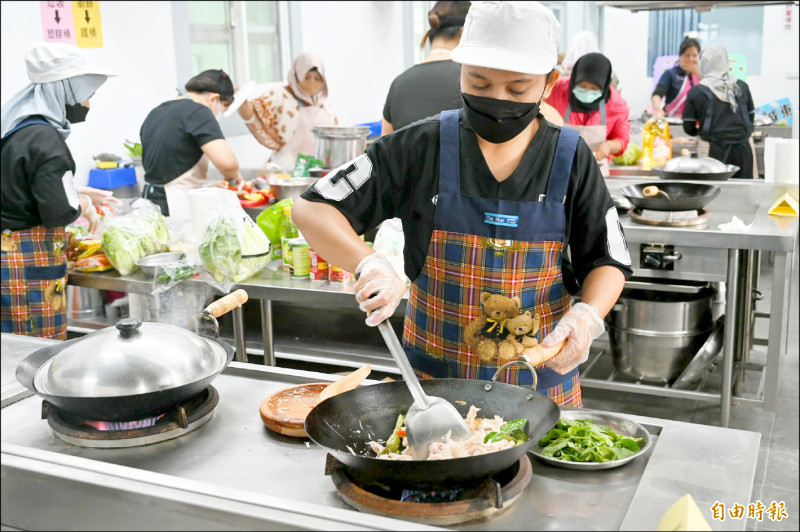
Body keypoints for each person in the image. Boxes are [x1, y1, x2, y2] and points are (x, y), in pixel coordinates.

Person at [292, 2, 632, 407]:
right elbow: (312, 208)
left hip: (541, 395)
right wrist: (370, 262)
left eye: (518, 89)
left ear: (548, 82)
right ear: (461, 70)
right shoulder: (422, 146)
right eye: (479, 82)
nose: (498, 99)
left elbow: (607, 259)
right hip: (432, 396)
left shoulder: (571, 156)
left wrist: (588, 315)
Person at [1, 42, 119, 340]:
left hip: (8, 258)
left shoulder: (17, 130)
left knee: (10, 348)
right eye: (88, 94)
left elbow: (18, 186)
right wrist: (80, 203)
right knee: (34, 352)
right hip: (27, 263)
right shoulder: (46, 139)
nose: (89, 104)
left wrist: (76, 191)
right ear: (67, 91)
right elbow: (59, 212)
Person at [140, 69, 244, 217]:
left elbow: (173, 163)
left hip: (149, 202)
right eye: (222, 108)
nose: (218, 115)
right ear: (214, 99)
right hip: (176, 206)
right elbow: (227, 163)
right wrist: (234, 176)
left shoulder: (157, 111)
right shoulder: (199, 112)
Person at [238, 52, 338, 170]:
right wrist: (240, 98)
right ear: (296, 75)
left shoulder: (325, 104)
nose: (312, 82)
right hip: (286, 168)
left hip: (317, 169)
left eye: (317, 78)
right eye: (306, 77)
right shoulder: (279, 95)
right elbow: (253, 113)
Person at [545, 53, 630, 176]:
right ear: (574, 79)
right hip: (556, 167)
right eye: (582, 86)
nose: (588, 92)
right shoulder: (556, 89)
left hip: (595, 172)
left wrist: (609, 146)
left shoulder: (616, 104)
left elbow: (622, 139)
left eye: (594, 89)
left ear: (604, 86)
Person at [682, 45, 755, 179]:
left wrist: (701, 131)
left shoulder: (697, 92)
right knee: (743, 193)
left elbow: (688, 127)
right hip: (743, 150)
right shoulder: (742, 87)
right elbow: (751, 118)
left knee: (712, 193)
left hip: (711, 150)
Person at [651, 37, 701, 119]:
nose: (691, 59)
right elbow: (657, 95)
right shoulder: (670, 74)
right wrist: (658, 110)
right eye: (687, 55)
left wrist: (698, 74)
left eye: (694, 55)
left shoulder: (702, 76)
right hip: (673, 120)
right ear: (680, 56)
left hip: (694, 122)